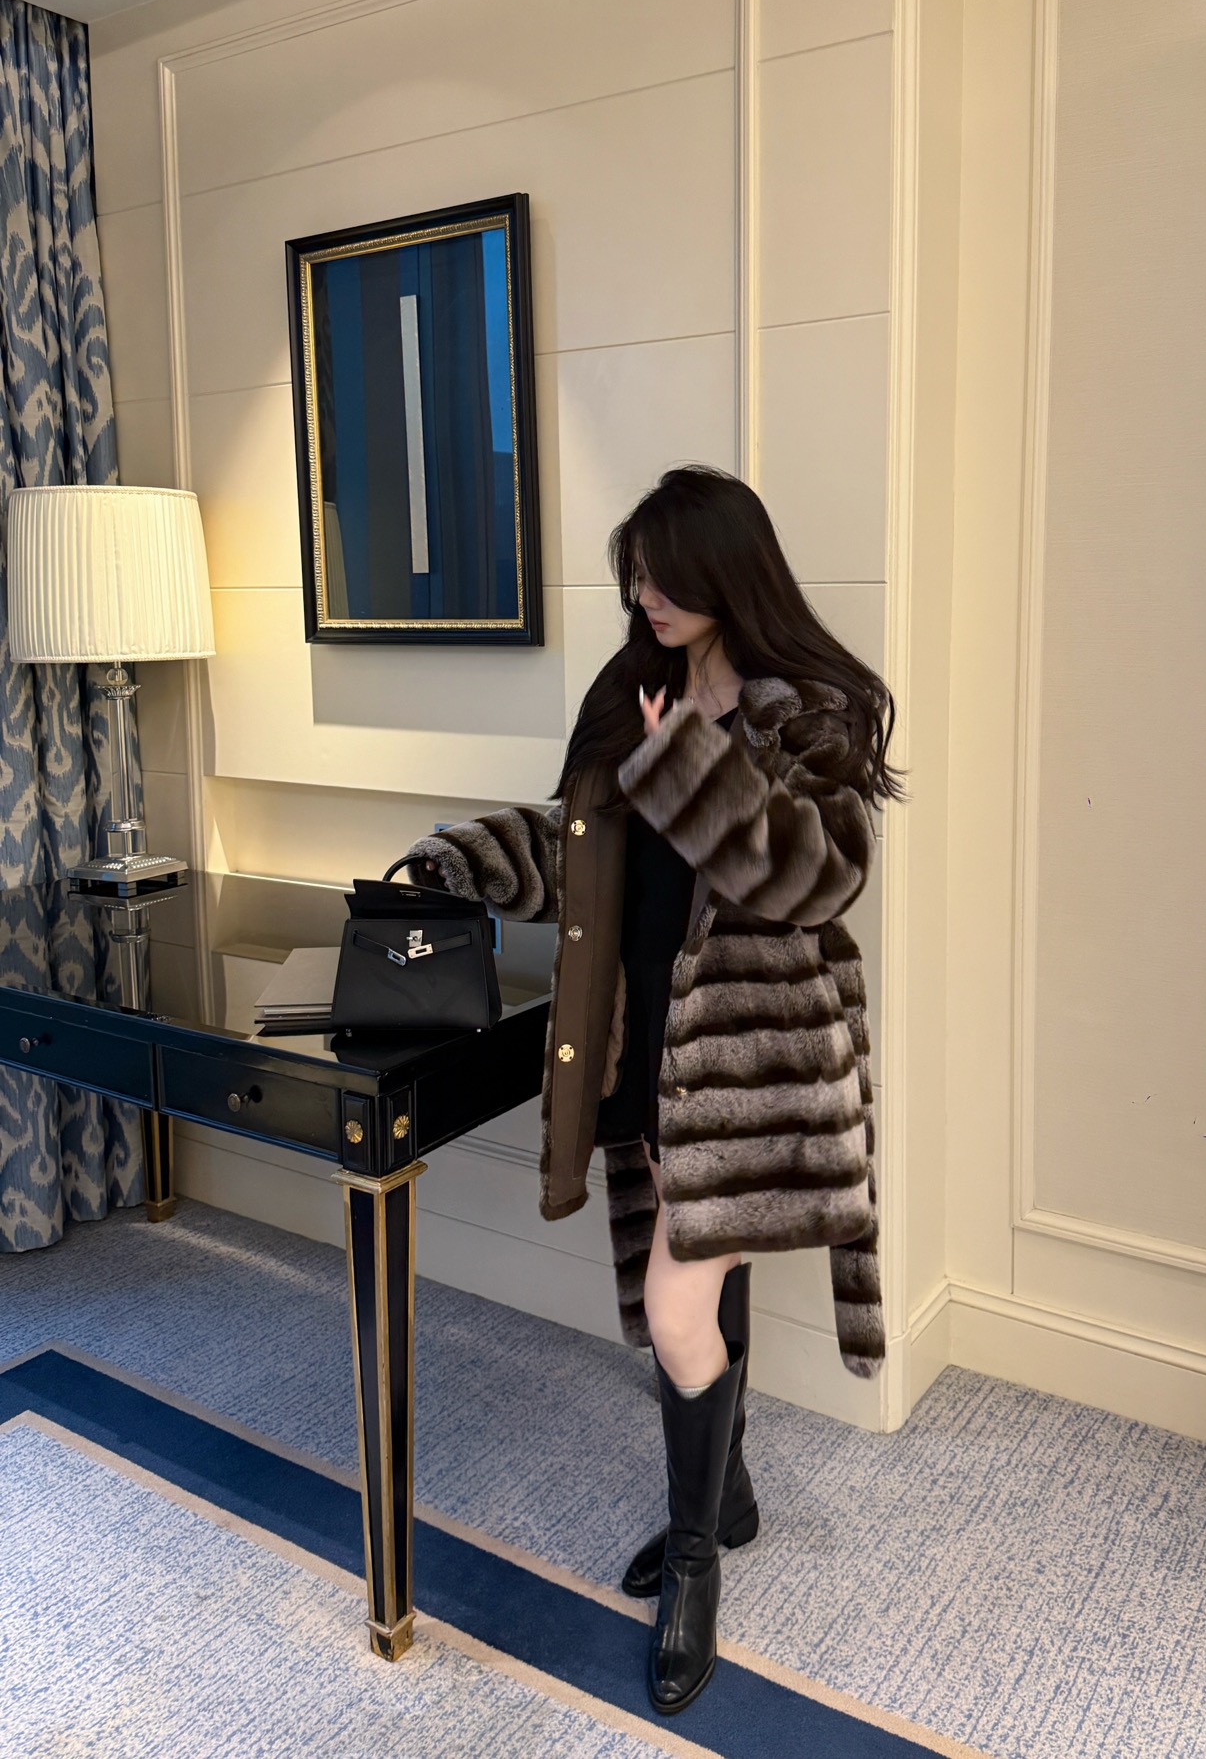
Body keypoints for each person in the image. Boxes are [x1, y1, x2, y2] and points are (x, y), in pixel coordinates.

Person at [399, 464, 901, 1716]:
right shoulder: (633, 693)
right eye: (635, 573)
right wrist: (457, 861)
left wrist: (690, 763)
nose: (645, 594)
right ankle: (727, 1499)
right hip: (645, 1050)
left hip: (749, 1072)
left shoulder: (813, 712)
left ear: (729, 570)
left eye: (665, 573)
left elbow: (816, 875)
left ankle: (692, 1563)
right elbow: (576, 844)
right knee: (700, 1291)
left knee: (679, 1306)